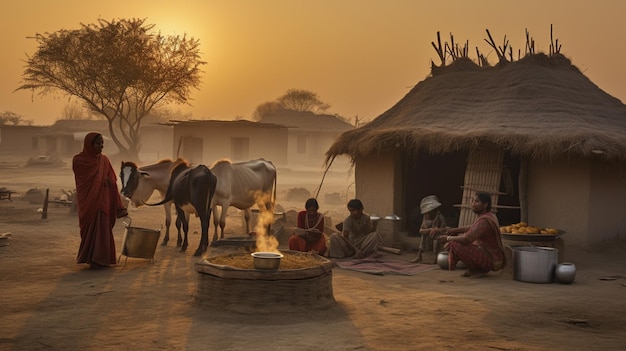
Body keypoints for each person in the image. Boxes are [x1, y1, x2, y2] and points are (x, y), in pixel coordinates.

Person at [73, 133, 128, 269]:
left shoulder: (104, 160)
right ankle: (91, 258)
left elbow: (113, 181)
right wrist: (99, 180)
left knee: (103, 228)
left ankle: (102, 259)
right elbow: (82, 181)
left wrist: (108, 182)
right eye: (98, 144)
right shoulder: (79, 160)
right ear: (89, 145)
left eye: (102, 143)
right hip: (88, 201)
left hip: (103, 200)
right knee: (91, 228)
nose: (101, 146)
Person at [433, 192, 505, 278]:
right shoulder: (489, 216)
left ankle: (477, 269)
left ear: (485, 205)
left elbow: (467, 239)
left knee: (454, 244)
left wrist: (448, 238)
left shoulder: (484, 220)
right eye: (473, 201)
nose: (473, 204)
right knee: (456, 241)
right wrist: (451, 230)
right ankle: (479, 269)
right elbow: (472, 228)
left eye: (476, 201)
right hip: (493, 257)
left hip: (491, 260)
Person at [411, 195, 447, 263]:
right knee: (423, 236)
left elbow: (445, 230)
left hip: (437, 235)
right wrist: (430, 229)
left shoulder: (440, 217)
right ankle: (419, 256)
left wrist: (437, 230)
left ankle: (437, 257)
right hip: (429, 234)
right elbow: (421, 230)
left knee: (440, 238)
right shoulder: (425, 217)